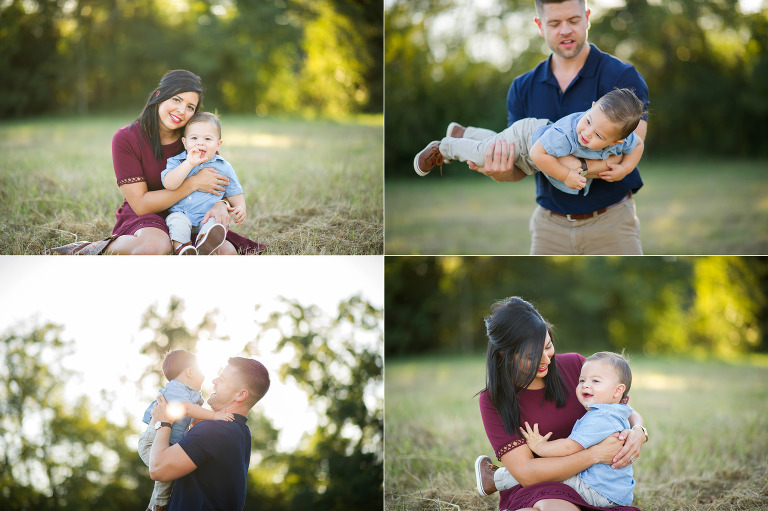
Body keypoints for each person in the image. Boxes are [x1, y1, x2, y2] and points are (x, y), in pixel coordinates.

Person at [468, 0, 649, 255]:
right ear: (540, 25)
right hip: (548, 227)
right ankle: (460, 137)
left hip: (613, 223)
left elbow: (623, 152)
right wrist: (500, 171)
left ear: (587, 18)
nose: (565, 30)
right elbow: (521, 165)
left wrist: (574, 168)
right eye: (554, 23)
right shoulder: (522, 87)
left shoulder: (622, 78)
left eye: (573, 21)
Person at [46, 69, 263, 255]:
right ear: (159, 95)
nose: (181, 111)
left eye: (190, 107)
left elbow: (218, 178)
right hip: (147, 213)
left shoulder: (194, 138)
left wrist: (221, 204)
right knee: (155, 246)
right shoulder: (126, 139)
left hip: (193, 212)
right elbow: (140, 204)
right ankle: (94, 248)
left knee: (226, 252)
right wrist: (193, 183)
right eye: (176, 100)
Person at [476, 297, 647, 511]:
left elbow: (620, 409)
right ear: (505, 354)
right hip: (538, 485)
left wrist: (639, 431)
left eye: (548, 347)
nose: (546, 360)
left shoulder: (576, 366)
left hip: (592, 484)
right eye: (531, 356)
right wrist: (594, 454)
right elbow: (527, 473)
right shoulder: (494, 400)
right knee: (552, 506)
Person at [414, 88, 645, 197]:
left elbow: (638, 146)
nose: (586, 132)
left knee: (496, 141)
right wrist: (565, 175)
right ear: (592, 106)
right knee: (485, 154)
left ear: (617, 140)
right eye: (588, 121)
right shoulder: (566, 132)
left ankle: (463, 132)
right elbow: (537, 154)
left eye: (599, 136)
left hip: (535, 148)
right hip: (529, 139)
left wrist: (625, 169)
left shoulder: (622, 138)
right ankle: (444, 147)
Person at [486, 351, 638, 508]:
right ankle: (497, 479)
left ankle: (498, 478)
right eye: (582, 380)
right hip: (616, 493)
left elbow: (568, 447)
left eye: (595, 381)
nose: (585, 385)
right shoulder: (616, 411)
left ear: (618, 391)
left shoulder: (599, 418)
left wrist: (540, 446)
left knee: (551, 475)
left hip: (596, 489)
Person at [148, 356, 271, 511]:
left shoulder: (216, 430)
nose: (214, 381)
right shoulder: (240, 432)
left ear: (240, 395)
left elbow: (158, 469)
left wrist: (163, 422)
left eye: (222, 379)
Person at [138, 350, 234, 511]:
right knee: (166, 471)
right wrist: (215, 415)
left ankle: (155, 506)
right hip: (152, 441)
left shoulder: (193, 394)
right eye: (201, 371)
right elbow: (187, 409)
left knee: (169, 473)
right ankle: (159, 506)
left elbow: (195, 416)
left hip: (166, 442)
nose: (205, 377)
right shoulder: (175, 388)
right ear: (190, 371)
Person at [161, 112, 247, 255]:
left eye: (208, 139)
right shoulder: (177, 162)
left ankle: (205, 242)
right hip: (181, 213)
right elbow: (169, 184)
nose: (200, 143)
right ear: (184, 142)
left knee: (215, 223)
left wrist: (240, 208)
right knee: (176, 222)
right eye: (194, 138)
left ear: (218, 144)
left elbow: (235, 193)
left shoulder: (224, 167)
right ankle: (182, 247)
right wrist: (189, 164)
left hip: (207, 215)